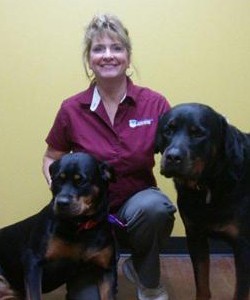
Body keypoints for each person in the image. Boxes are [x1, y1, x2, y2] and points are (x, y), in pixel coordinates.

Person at [42, 13, 176, 300]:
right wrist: (65, 196)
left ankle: (147, 279)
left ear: (128, 56)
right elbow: (52, 157)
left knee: (156, 208)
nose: (108, 56)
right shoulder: (71, 109)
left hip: (136, 210)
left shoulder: (155, 104)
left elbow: (176, 152)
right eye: (98, 49)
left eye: (116, 48)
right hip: (86, 217)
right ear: (89, 58)